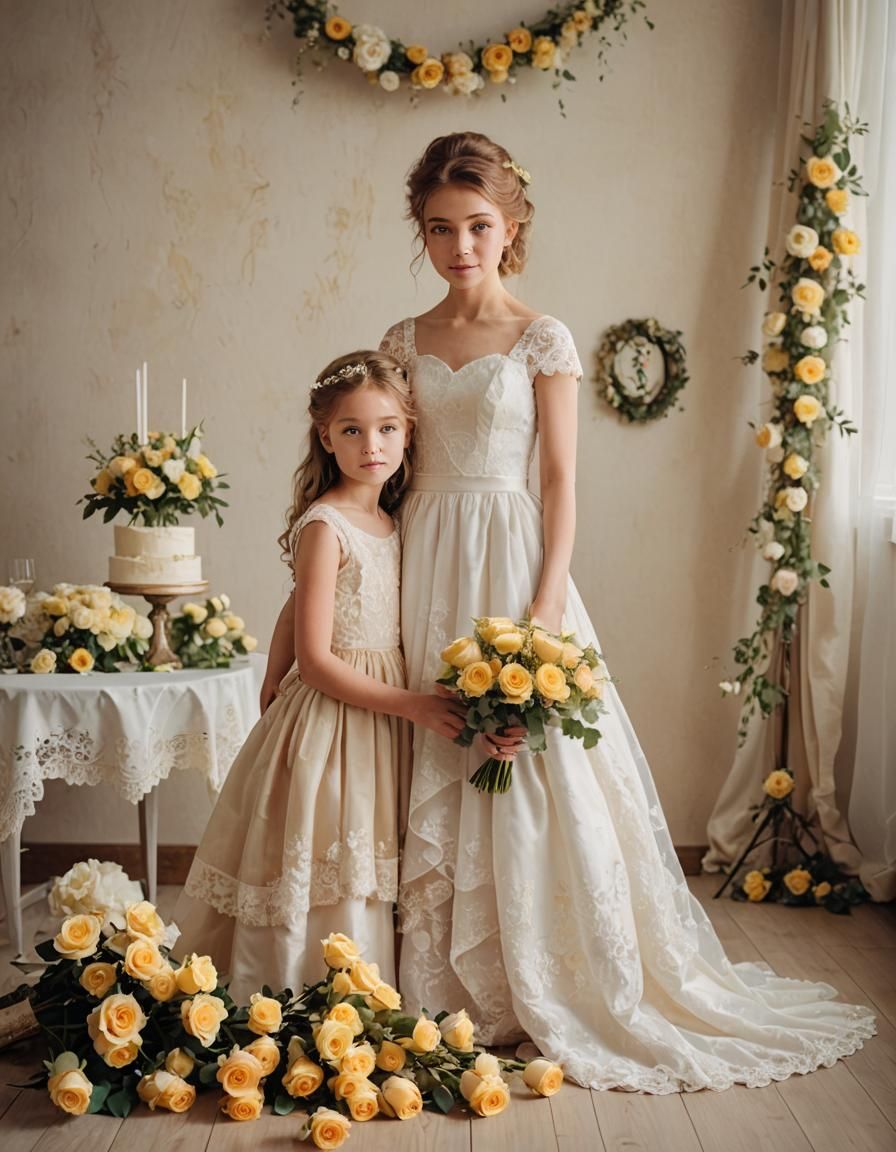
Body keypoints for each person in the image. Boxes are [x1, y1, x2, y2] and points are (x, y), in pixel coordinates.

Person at [376, 131, 876, 1092]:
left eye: (477, 226)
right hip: (423, 559)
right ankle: (430, 979)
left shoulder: (542, 337)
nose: (459, 246)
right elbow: (386, 464)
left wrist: (548, 597)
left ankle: (537, 981)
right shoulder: (404, 340)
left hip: (512, 556)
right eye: (439, 229)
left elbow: (560, 481)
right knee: (427, 745)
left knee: (527, 766)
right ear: (423, 233)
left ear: (510, 225)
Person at [173, 349, 465, 1003]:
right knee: (328, 847)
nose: (373, 445)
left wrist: (272, 673)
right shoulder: (325, 525)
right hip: (337, 716)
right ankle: (305, 991)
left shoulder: (393, 518)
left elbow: (295, 608)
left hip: (375, 720)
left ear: (409, 432)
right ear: (325, 435)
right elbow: (320, 657)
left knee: (362, 851)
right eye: (353, 430)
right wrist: (413, 705)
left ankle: (361, 989)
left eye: (388, 427)